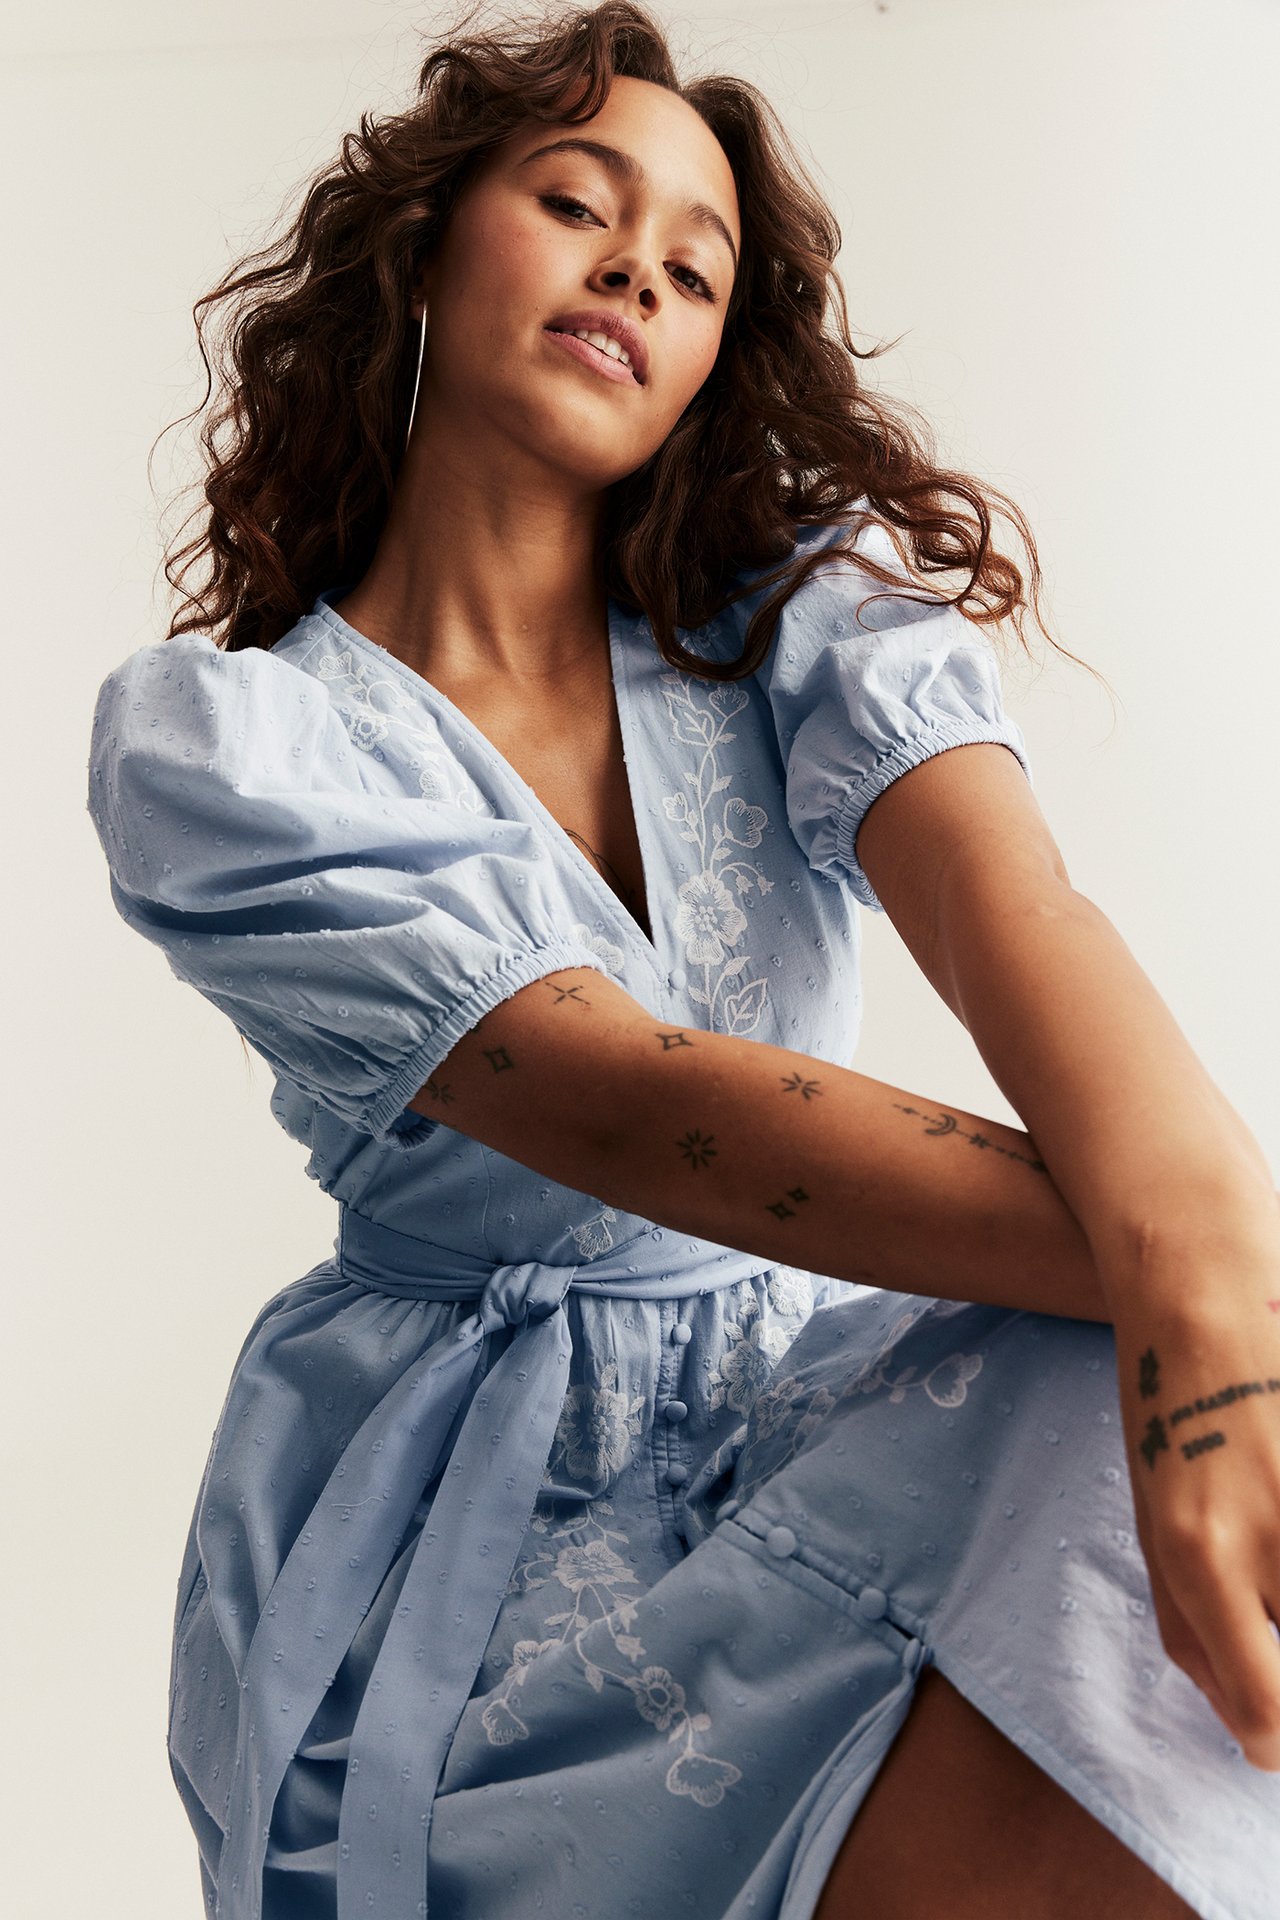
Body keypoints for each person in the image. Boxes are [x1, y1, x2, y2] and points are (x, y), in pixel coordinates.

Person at [84, 4, 1280, 1916]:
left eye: (699, 264)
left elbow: (1013, 909)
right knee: (1137, 1324)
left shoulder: (789, 624)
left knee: (1103, 1416)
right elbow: (649, 1110)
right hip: (440, 1550)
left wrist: (1209, 1282)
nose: (640, 260)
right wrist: (1208, 1275)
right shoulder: (233, 750)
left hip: (781, 1443)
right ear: (423, 251)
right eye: (576, 199)